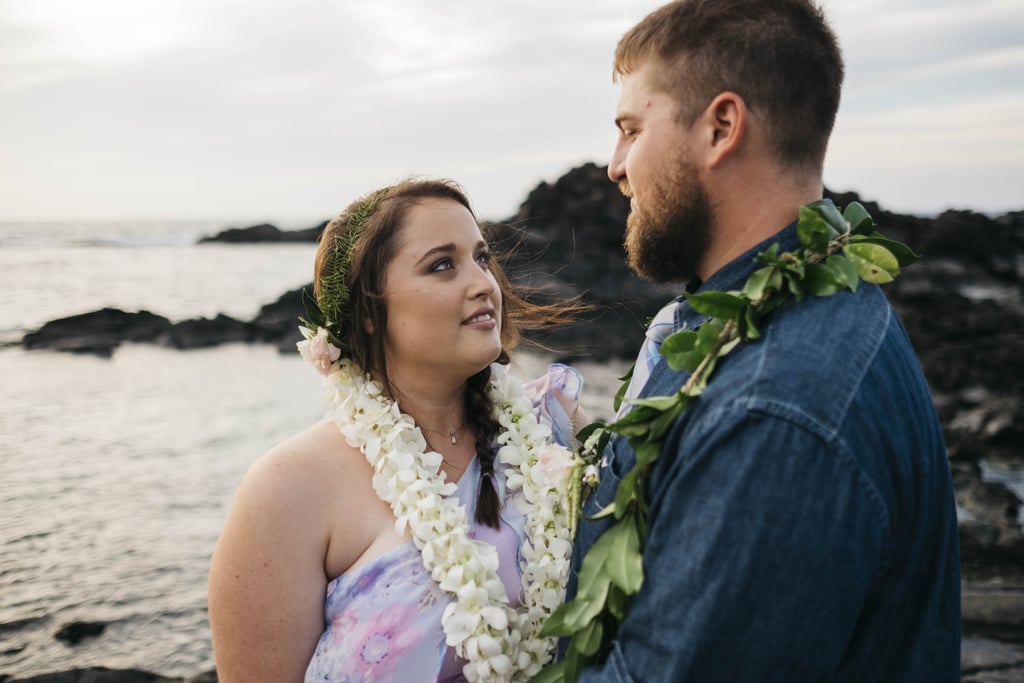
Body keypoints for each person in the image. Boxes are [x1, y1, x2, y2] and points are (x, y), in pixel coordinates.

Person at [566, 1, 961, 681]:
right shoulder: (791, 304)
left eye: (632, 128)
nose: (614, 164)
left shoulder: (774, 407)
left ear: (721, 126)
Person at [208, 178, 587, 682]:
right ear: (369, 313)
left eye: (482, 258)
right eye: (442, 265)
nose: (483, 284)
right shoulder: (288, 488)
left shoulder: (556, 428)